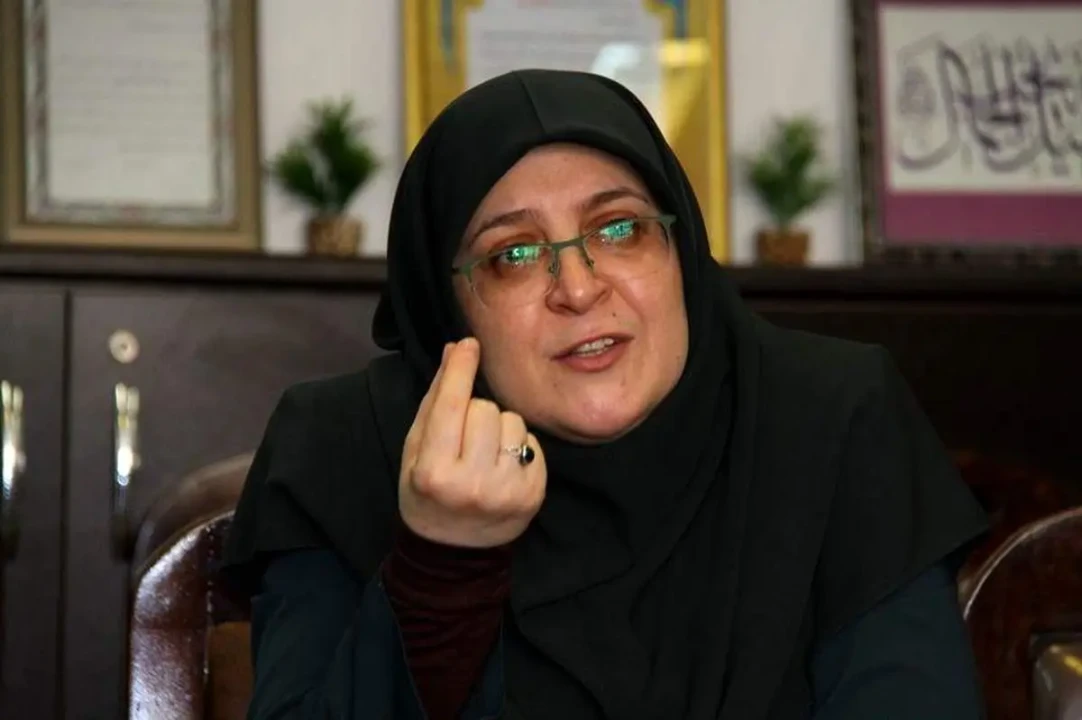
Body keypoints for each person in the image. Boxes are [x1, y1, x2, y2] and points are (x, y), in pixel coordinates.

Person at [222, 69, 989, 720]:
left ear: (680, 248)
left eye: (619, 230)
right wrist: (439, 566)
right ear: (446, 307)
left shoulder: (832, 418)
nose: (580, 288)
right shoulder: (343, 447)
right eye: (514, 254)